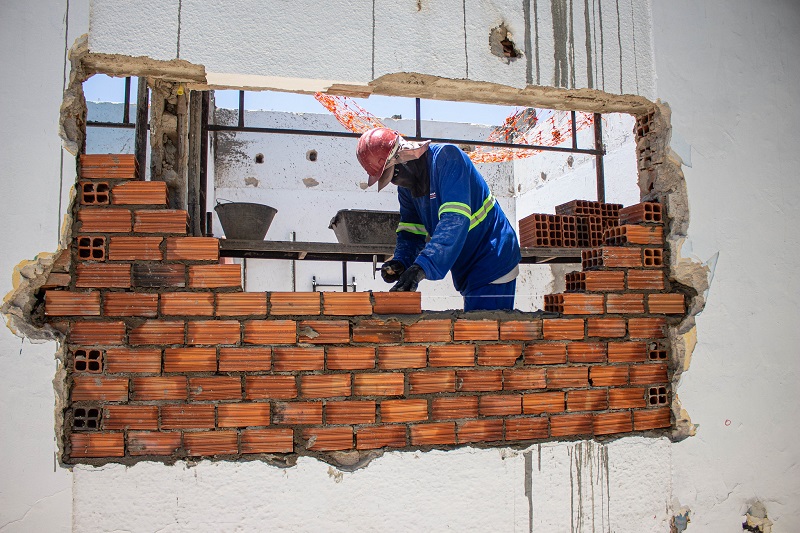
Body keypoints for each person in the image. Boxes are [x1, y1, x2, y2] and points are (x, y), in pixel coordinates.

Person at [356, 127, 521, 311]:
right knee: (478, 331)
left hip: (492, 256)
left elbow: (455, 220)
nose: (396, 183)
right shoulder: (407, 189)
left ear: (406, 156)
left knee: (486, 334)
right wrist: (401, 261)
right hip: (467, 266)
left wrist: (420, 268)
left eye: (393, 175)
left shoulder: (448, 159)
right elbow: (411, 232)